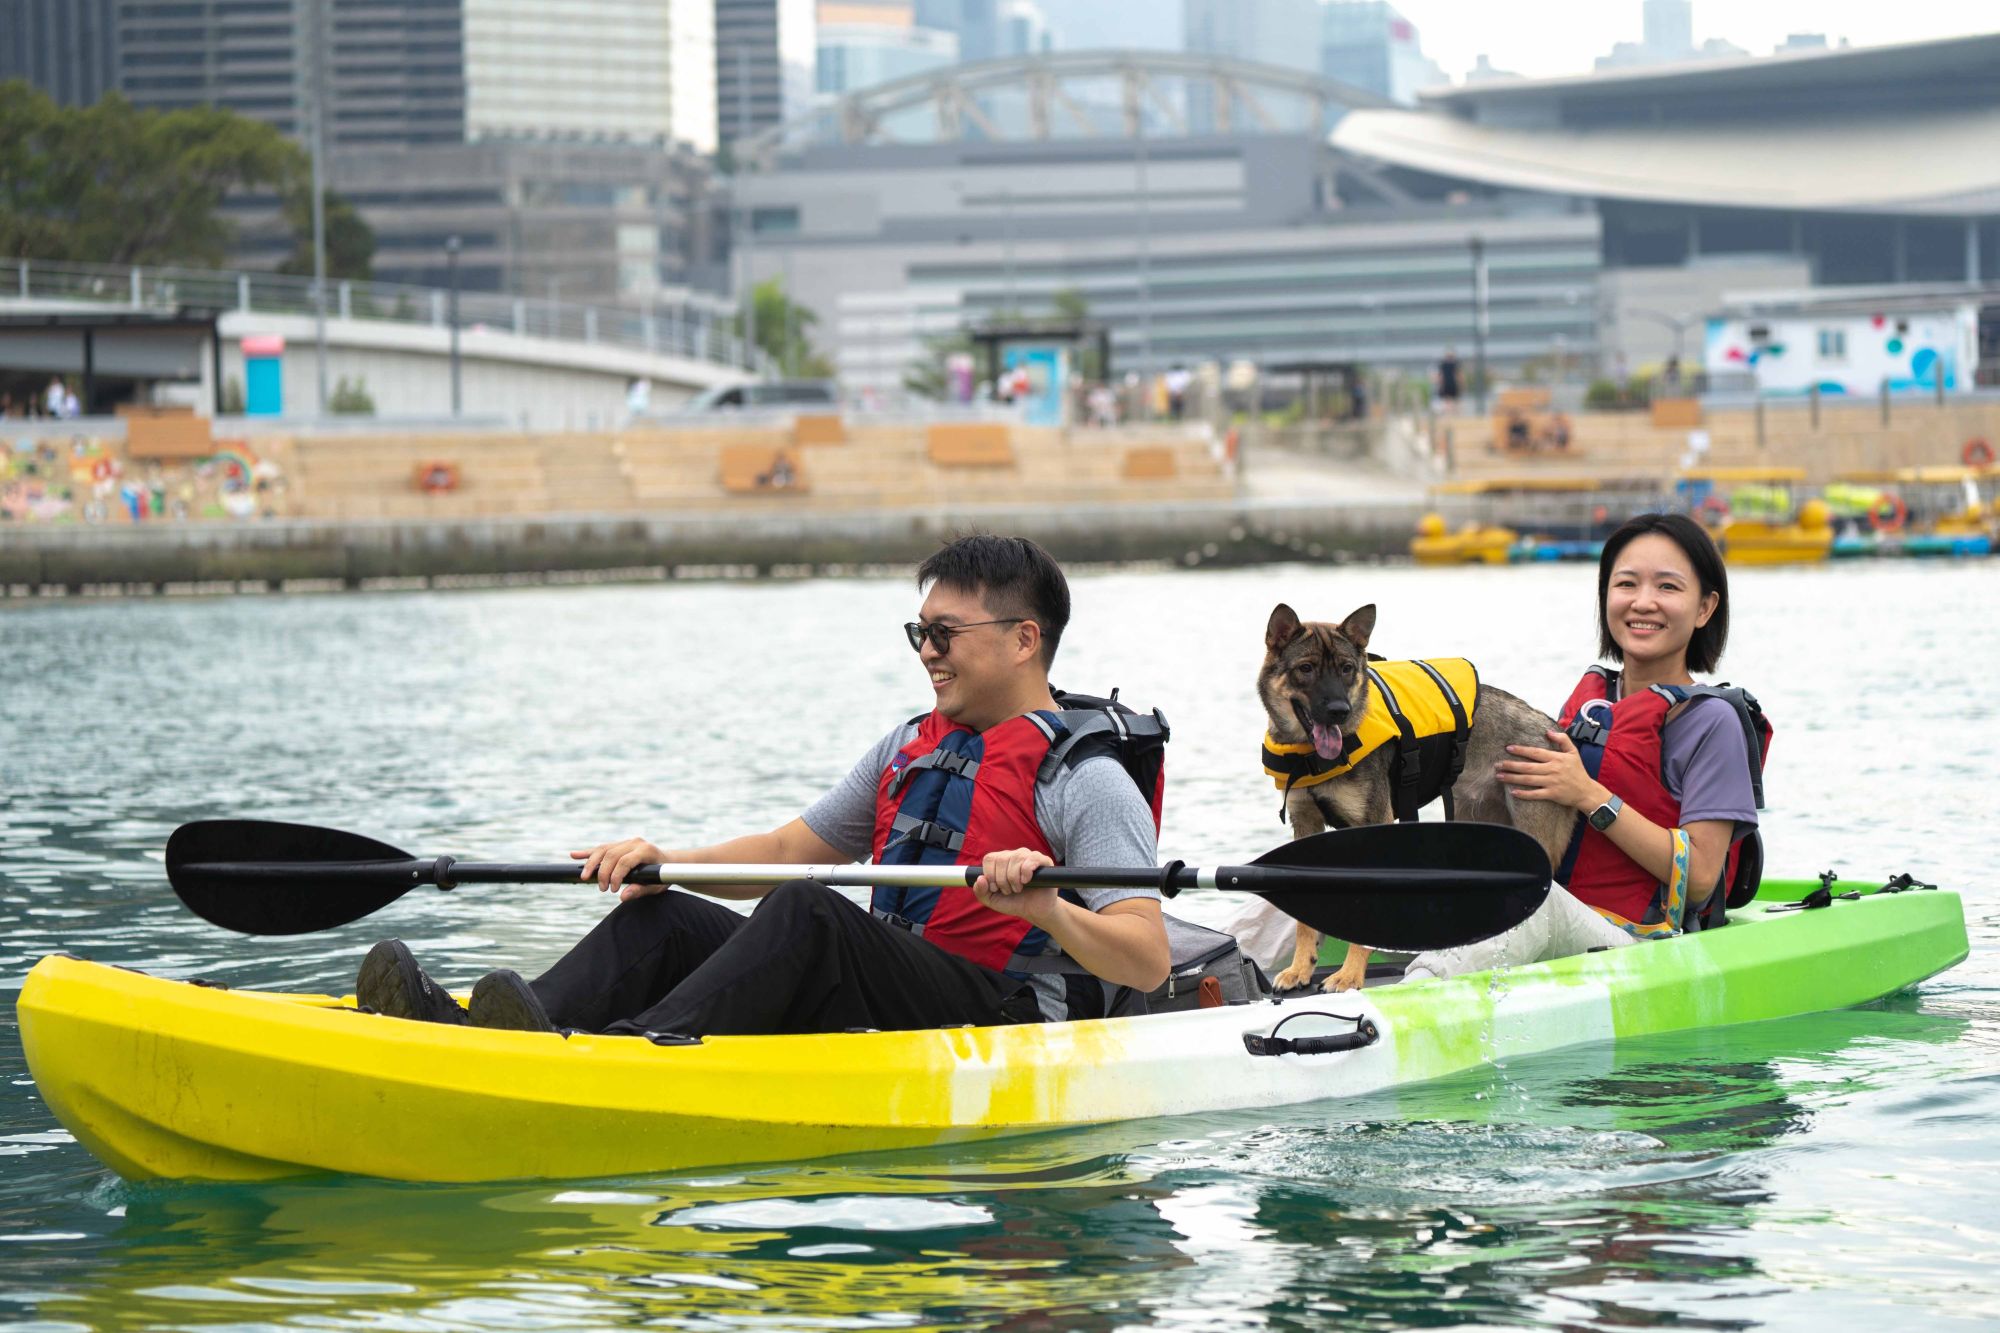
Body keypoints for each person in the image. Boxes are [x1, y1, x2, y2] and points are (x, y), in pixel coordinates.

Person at [357, 535, 1173, 1036]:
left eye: (945, 633)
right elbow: (786, 848)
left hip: (1008, 1015)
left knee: (811, 909)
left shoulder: (1085, 777)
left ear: (1025, 639)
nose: (927, 650)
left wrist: (1047, 908)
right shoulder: (908, 746)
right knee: (664, 915)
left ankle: (628, 1055)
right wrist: (667, 862)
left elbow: (1145, 959)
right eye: (919, 632)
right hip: (904, 989)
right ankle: (482, 1033)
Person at [1402, 513, 1763, 981]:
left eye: (1668, 587)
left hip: (1642, 944)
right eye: (1626, 584)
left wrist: (1589, 795)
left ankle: (1411, 996)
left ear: (1704, 609)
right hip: (1562, 925)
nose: (1643, 602)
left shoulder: (1713, 722)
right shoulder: (1589, 707)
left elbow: (1699, 881)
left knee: (1537, 902)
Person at [1435, 347, 1462, 416]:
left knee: (1449, 401)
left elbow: (1440, 376)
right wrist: (1461, 383)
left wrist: (1440, 384)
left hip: (1449, 384)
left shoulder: (1444, 364)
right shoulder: (1454, 364)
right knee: (1452, 401)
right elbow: (1458, 375)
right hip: (1451, 384)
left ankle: (1450, 414)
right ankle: (1452, 414)